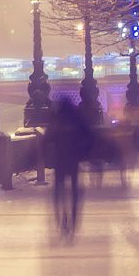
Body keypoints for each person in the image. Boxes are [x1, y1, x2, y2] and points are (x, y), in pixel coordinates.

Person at [45, 95, 94, 238]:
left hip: (59, 161)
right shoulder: (77, 119)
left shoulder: (57, 119)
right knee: (74, 191)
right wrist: (84, 152)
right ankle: (73, 218)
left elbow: (48, 138)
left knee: (58, 192)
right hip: (73, 161)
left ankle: (62, 217)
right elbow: (89, 136)